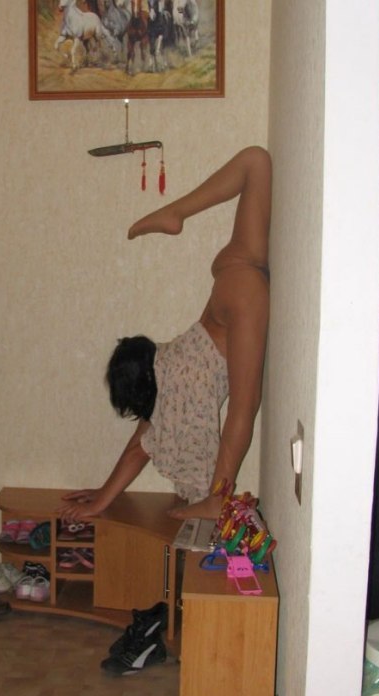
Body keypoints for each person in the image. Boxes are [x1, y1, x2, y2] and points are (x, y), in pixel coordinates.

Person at [58, 146, 272, 522]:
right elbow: (136, 447)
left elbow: (138, 449)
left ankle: (216, 500)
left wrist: (98, 503)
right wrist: (102, 494)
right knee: (256, 162)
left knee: (245, 404)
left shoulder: (170, 390)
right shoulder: (169, 365)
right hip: (230, 271)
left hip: (243, 295)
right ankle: (177, 212)